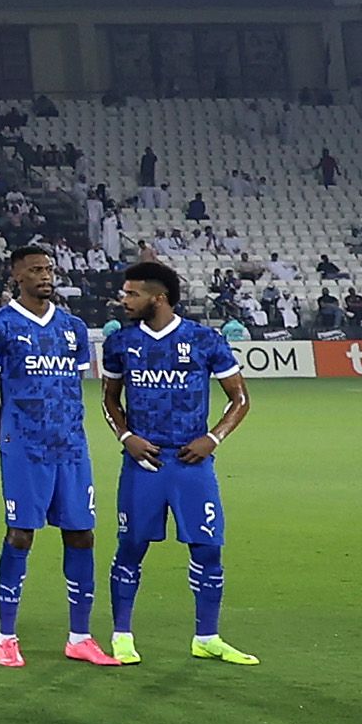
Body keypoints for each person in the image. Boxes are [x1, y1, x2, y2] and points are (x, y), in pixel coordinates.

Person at [96, 260, 253, 667]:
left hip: (191, 462)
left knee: (208, 548)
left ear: (158, 297)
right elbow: (109, 399)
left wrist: (212, 438)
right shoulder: (120, 343)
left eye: (132, 293)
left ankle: (207, 636)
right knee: (131, 546)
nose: (124, 300)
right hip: (143, 464)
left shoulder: (205, 340)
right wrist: (127, 437)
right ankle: (122, 636)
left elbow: (240, 399)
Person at [0, 244, 106, 666]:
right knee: (21, 535)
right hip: (24, 450)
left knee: (82, 533)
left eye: (48, 268)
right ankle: (6, 636)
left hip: (71, 447)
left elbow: (74, 385)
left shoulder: (73, 327)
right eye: (35, 269)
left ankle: (80, 637)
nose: (45, 275)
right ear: (17, 276)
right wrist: (7, 440)